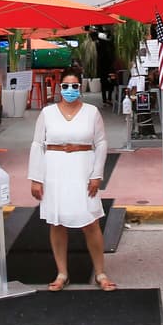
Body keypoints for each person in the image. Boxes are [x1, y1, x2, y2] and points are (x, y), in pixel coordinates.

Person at [28, 73, 115, 292]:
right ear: (59, 88)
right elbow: (38, 144)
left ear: (80, 87)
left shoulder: (91, 112)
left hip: (82, 168)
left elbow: (101, 143)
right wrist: (35, 178)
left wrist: (97, 174)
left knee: (90, 221)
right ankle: (62, 273)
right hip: (55, 169)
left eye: (74, 85)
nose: (70, 89)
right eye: (65, 86)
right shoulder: (47, 113)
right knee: (57, 223)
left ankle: (100, 272)